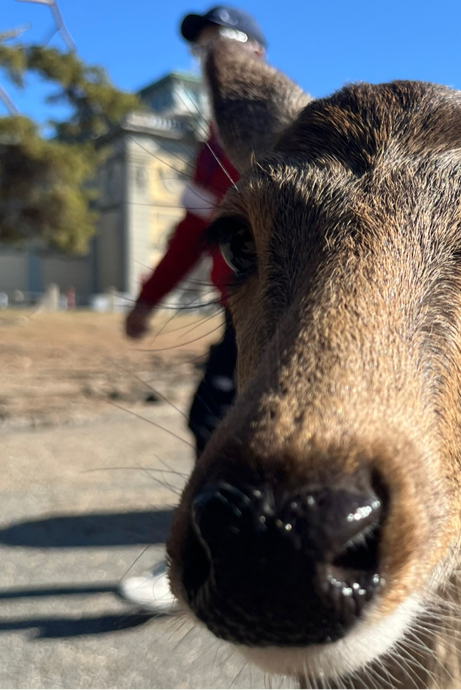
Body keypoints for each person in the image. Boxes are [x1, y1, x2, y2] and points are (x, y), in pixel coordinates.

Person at [120, 6, 267, 612]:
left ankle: (208, 560)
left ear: (254, 54)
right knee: (216, 418)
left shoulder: (283, 130)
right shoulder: (212, 148)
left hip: (275, 304)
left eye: (222, 44)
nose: (210, 57)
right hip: (235, 307)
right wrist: (148, 300)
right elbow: (193, 231)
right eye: (202, 48)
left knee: (221, 420)